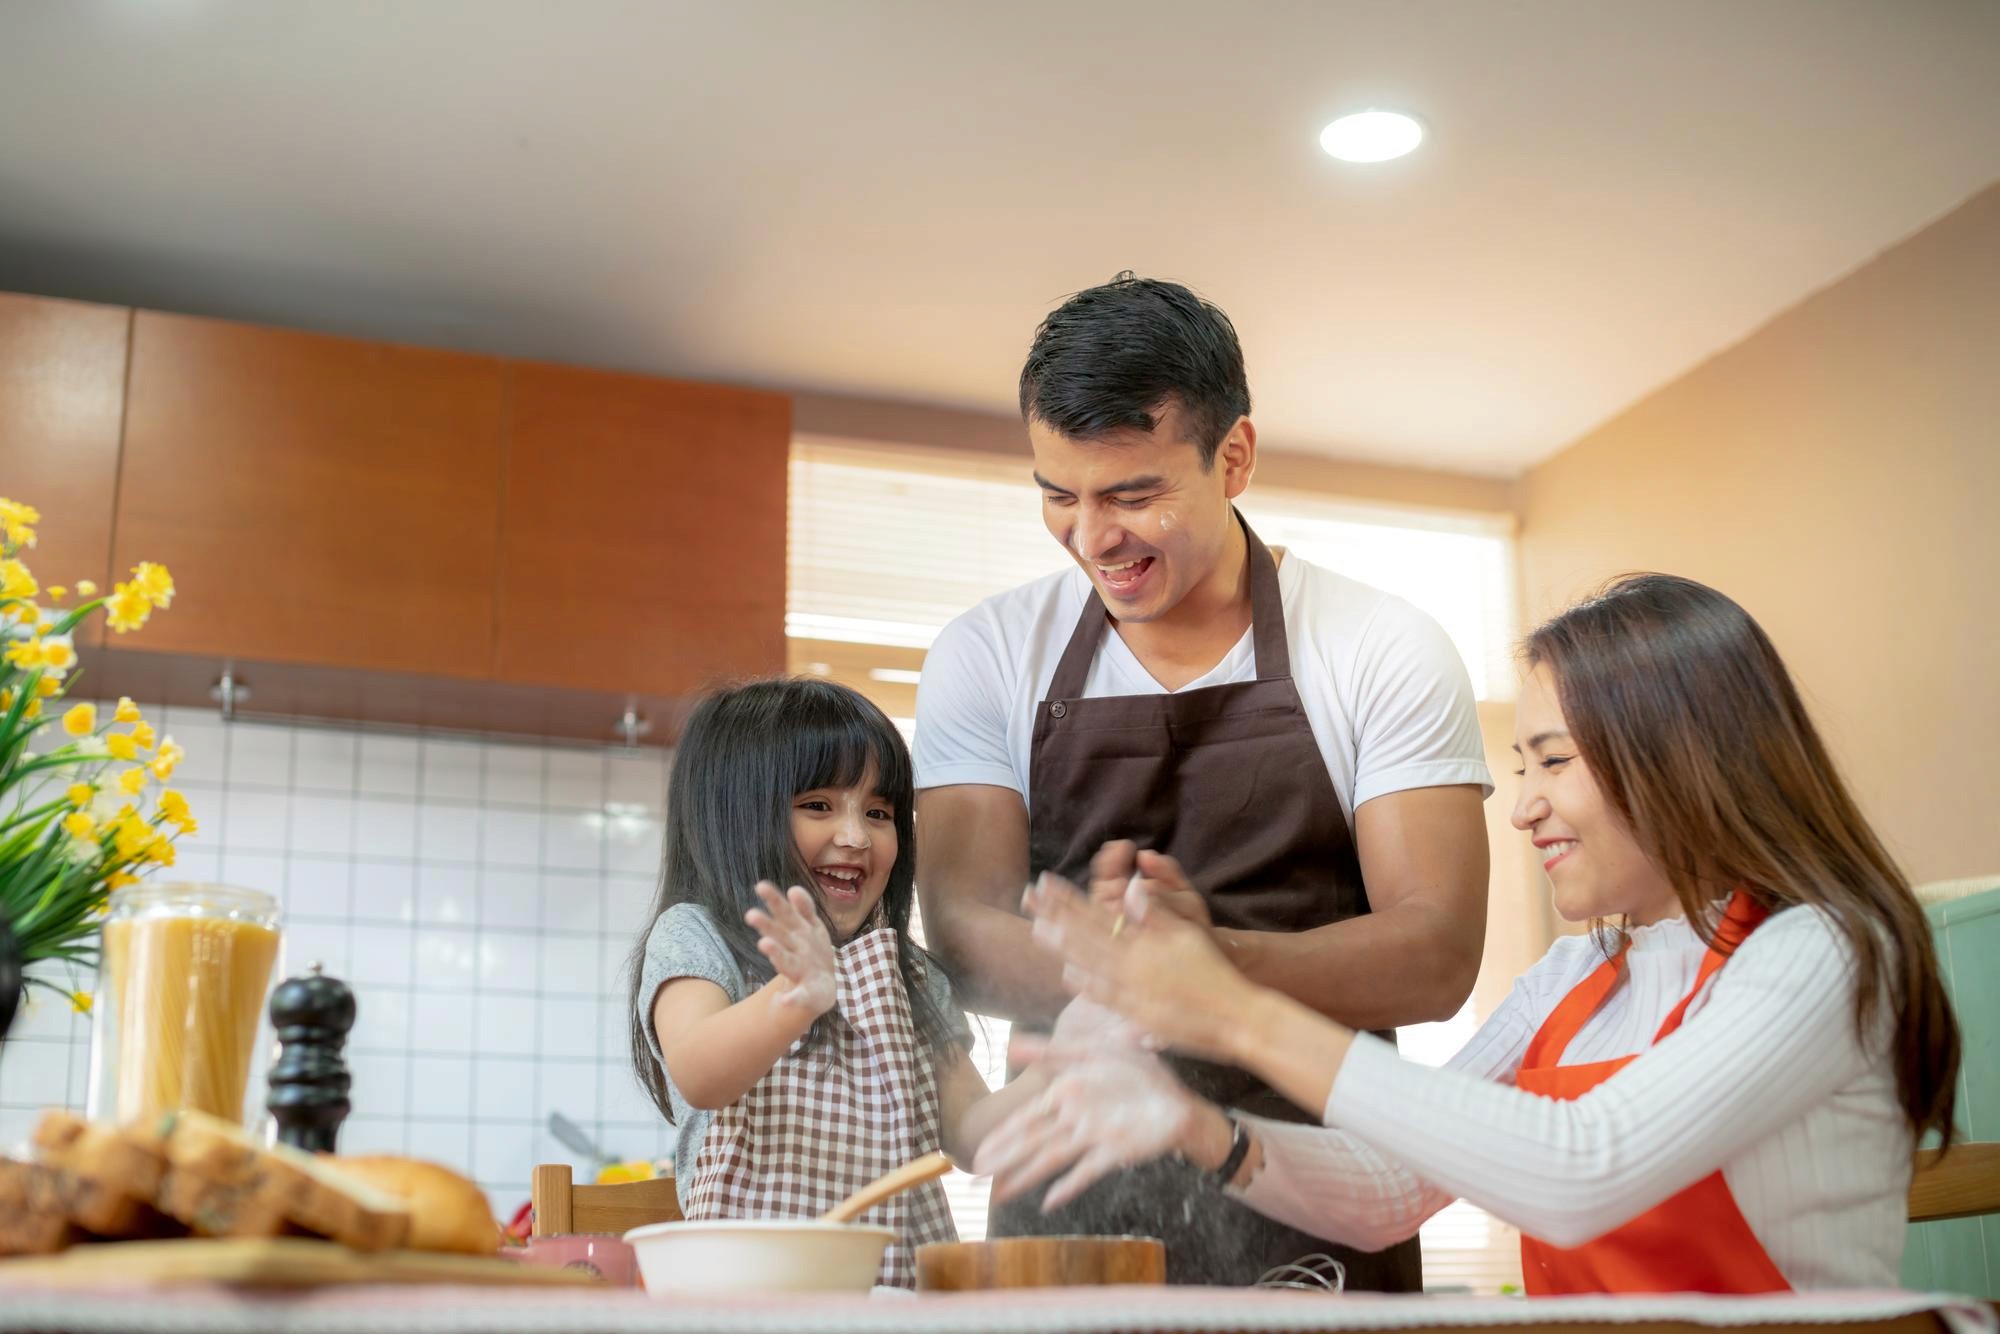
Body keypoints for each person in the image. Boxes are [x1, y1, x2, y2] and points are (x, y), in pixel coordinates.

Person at [978, 573, 1962, 1294]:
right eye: (1517, 767)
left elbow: (1583, 1166)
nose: (1521, 805)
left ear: (1678, 758)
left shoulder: (1820, 951)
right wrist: (1198, 1123)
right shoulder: (1578, 975)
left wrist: (1237, 1013)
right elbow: (1385, 1188)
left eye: (1551, 762)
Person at [913, 272, 1493, 1287]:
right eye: (1059, 494)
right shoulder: (989, 650)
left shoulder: (1377, 646)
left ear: (1234, 456)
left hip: (1320, 1200)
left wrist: (1204, 965)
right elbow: (961, 930)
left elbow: (1436, 951)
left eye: (1132, 494)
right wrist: (1143, 976)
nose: (1093, 536)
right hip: (1067, 1202)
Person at [625, 678, 1038, 1289]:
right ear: (735, 816)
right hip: (747, 1298)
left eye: (878, 812)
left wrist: (1059, 1075)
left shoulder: (910, 972)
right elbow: (699, 1074)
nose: (856, 836)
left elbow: (975, 1138)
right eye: (819, 805)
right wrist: (791, 1000)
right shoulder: (699, 935)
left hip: (897, 1298)